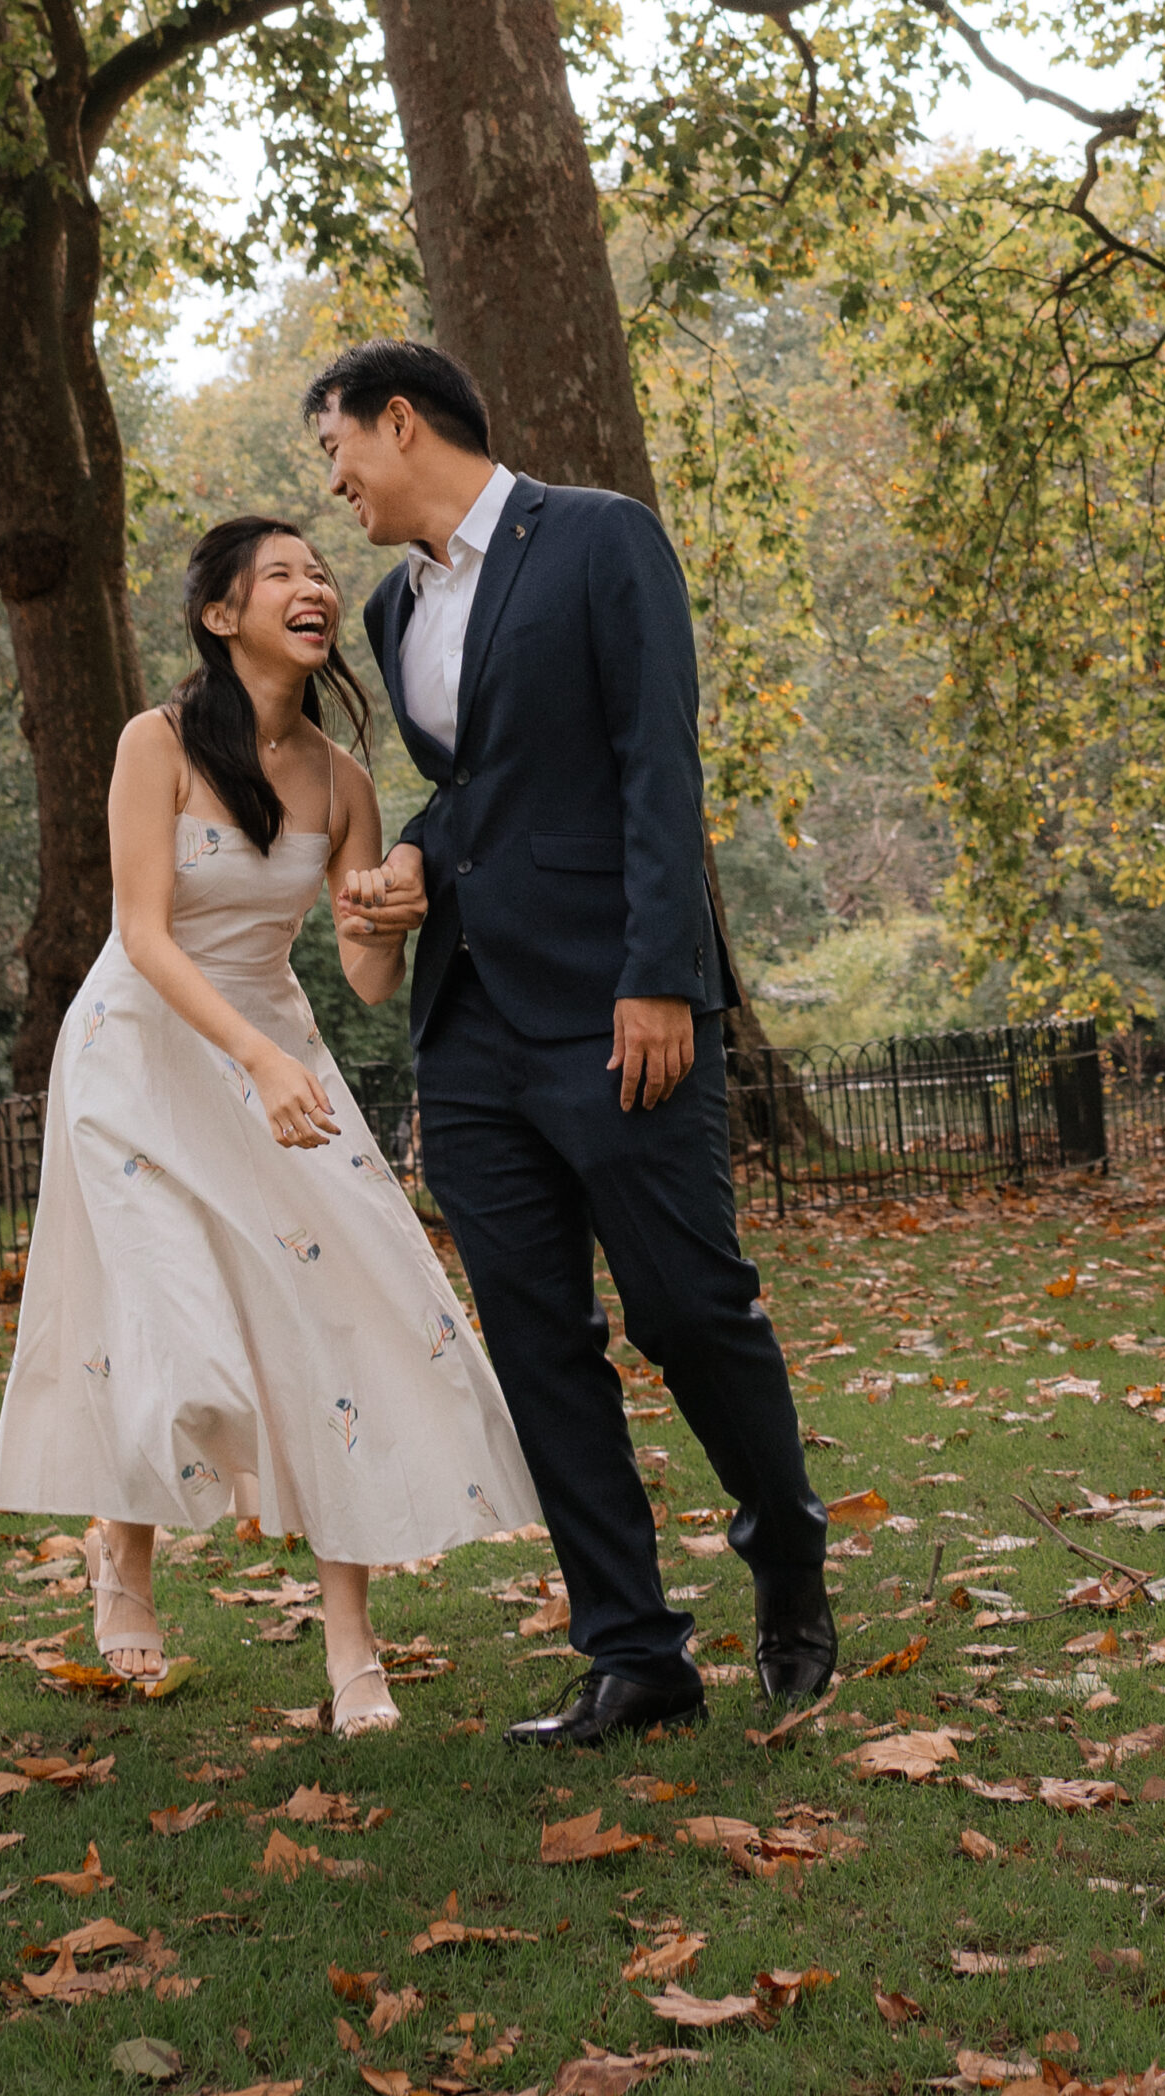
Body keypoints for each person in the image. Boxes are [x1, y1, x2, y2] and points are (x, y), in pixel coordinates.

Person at [305, 339, 835, 1748]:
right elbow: (479, 789)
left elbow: (652, 757)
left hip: (616, 1004)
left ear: (397, 420)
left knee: (684, 1308)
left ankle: (783, 1541)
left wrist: (660, 975)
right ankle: (632, 1653)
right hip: (465, 1025)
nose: (333, 483)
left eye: (334, 449)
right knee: (537, 1343)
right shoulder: (386, 604)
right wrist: (416, 858)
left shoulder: (600, 538)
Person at [0, 515, 535, 1738]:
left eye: (319, 569)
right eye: (279, 572)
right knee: (178, 1331)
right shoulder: (157, 743)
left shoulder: (343, 778)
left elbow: (363, 974)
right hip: (142, 1049)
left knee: (334, 1319)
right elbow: (143, 933)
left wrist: (387, 914)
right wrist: (254, 1060)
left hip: (277, 1048)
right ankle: (119, 1549)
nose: (315, 585)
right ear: (221, 615)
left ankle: (351, 1647)